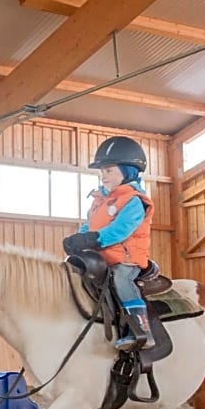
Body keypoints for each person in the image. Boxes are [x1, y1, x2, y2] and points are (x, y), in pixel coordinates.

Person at [63, 135, 155, 352]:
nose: (103, 176)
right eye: (102, 171)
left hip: (126, 258)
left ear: (127, 171)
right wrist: (79, 238)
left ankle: (142, 331)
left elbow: (120, 230)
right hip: (100, 257)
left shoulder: (134, 200)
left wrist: (95, 239)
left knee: (122, 281)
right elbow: (90, 226)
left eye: (109, 171)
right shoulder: (99, 201)